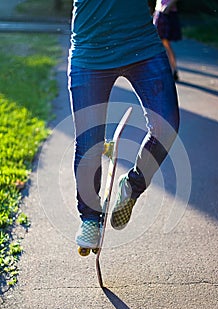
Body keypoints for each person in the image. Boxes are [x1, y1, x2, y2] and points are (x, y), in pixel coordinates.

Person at [68, 0, 180, 250]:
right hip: (91, 52)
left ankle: (132, 185)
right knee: (89, 142)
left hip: (142, 46)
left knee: (166, 126)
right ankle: (90, 218)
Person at [153, 0, 182, 81]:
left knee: (165, 44)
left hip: (166, 13)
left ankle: (173, 70)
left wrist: (168, 6)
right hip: (159, 12)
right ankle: (168, 70)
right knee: (160, 44)